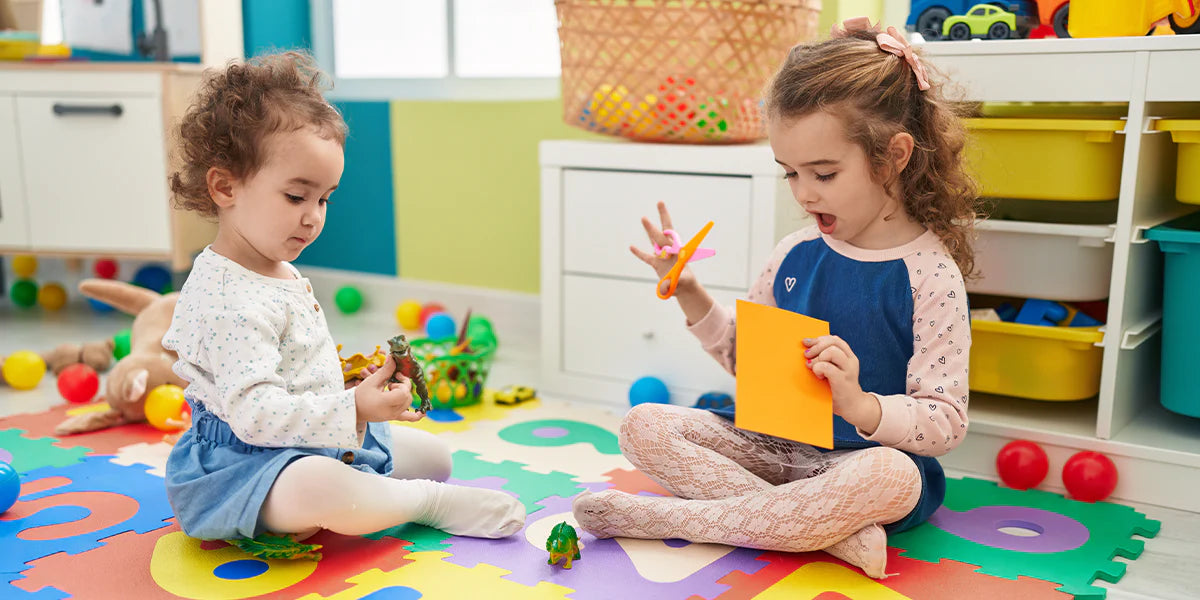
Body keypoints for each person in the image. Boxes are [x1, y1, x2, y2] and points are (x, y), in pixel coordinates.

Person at [572, 19, 979, 578]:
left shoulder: (930, 275)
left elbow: (945, 422)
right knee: (644, 425)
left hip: (864, 468)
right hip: (774, 454)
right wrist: (689, 292)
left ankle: (671, 519)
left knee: (894, 475)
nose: (804, 193)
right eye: (789, 172)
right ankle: (833, 538)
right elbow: (749, 364)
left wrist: (861, 405)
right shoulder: (793, 253)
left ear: (894, 156)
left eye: (825, 173)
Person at [162, 52, 525, 543]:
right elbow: (256, 416)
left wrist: (354, 387)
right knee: (323, 490)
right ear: (225, 186)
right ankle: (425, 503)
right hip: (244, 467)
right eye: (296, 196)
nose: (313, 217)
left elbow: (295, 367)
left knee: (436, 458)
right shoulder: (230, 301)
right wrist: (353, 406)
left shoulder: (273, 266)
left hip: (309, 439)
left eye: (324, 198)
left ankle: (384, 495)